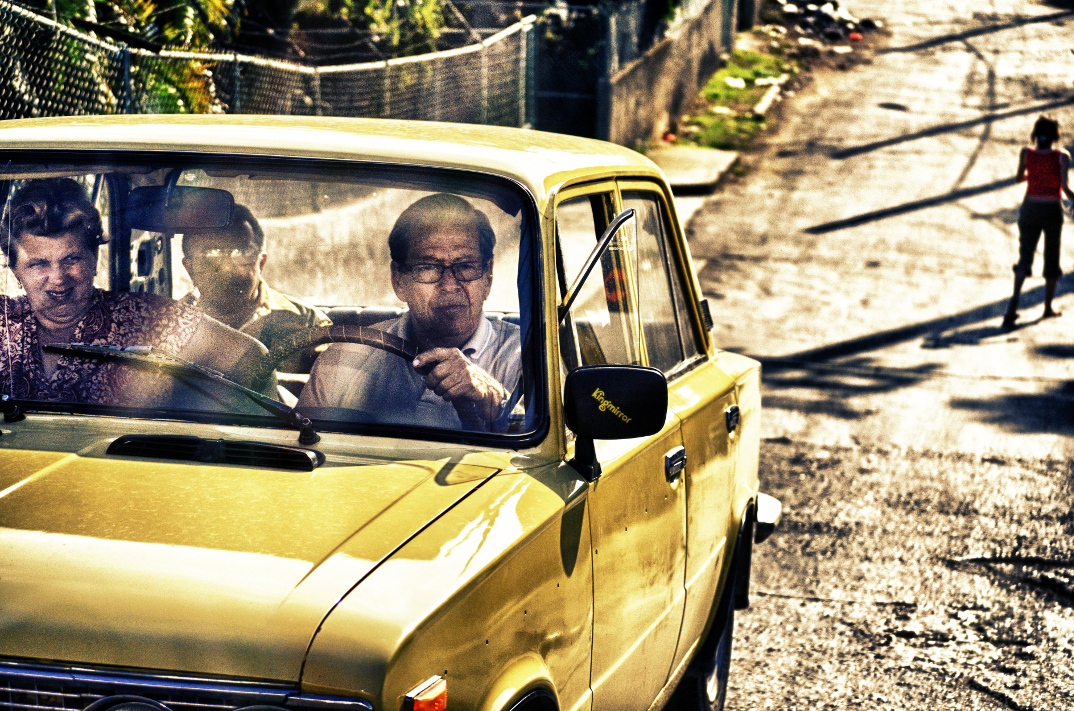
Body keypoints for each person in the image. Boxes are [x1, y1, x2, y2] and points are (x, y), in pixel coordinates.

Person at [0, 178, 270, 407]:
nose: (58, 278)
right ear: (14, 270)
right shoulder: (4, 322)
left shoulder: (143, 316)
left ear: (94, 258)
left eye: (71, 260)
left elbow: (252, 358)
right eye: (38, 264)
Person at [298, 193, 520, 431]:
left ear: (488, 276)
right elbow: (301, 452)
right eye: (428, 268)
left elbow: (550, 453)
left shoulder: (527, 359)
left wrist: (497, 402)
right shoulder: (343, 361)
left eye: (466, 266)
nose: (450, 285)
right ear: (398, 280)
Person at [180, 204, 331, 372]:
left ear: (261, 262)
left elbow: (330, 391)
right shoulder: (167, 323)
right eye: (212, 254)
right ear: (189, 268)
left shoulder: (307, 324)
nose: (228, 268)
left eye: (242, 252)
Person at [1003, 115, 1074, 328]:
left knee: (1024, 257)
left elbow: (1019, 178)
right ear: (1055, 136)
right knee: (1051, 258)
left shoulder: (1026, 153)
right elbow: (1065, 189)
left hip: (1029, 208)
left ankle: (1013, 304)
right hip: (1051, 210)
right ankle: (1047, 307)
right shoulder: (1062, 157)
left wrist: (1033, 175)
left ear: (1035, 134)